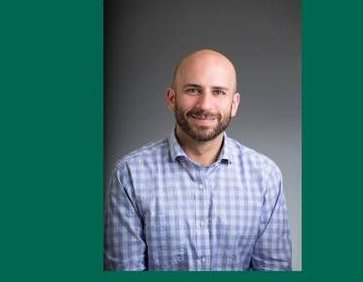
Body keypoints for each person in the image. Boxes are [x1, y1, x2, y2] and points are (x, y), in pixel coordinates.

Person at [104, 49, 292, 271]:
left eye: (219, 92)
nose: (205, 105)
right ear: (171, 98)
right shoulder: (130, 175)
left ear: (234, 103)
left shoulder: (266, 177)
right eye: (193, 90)